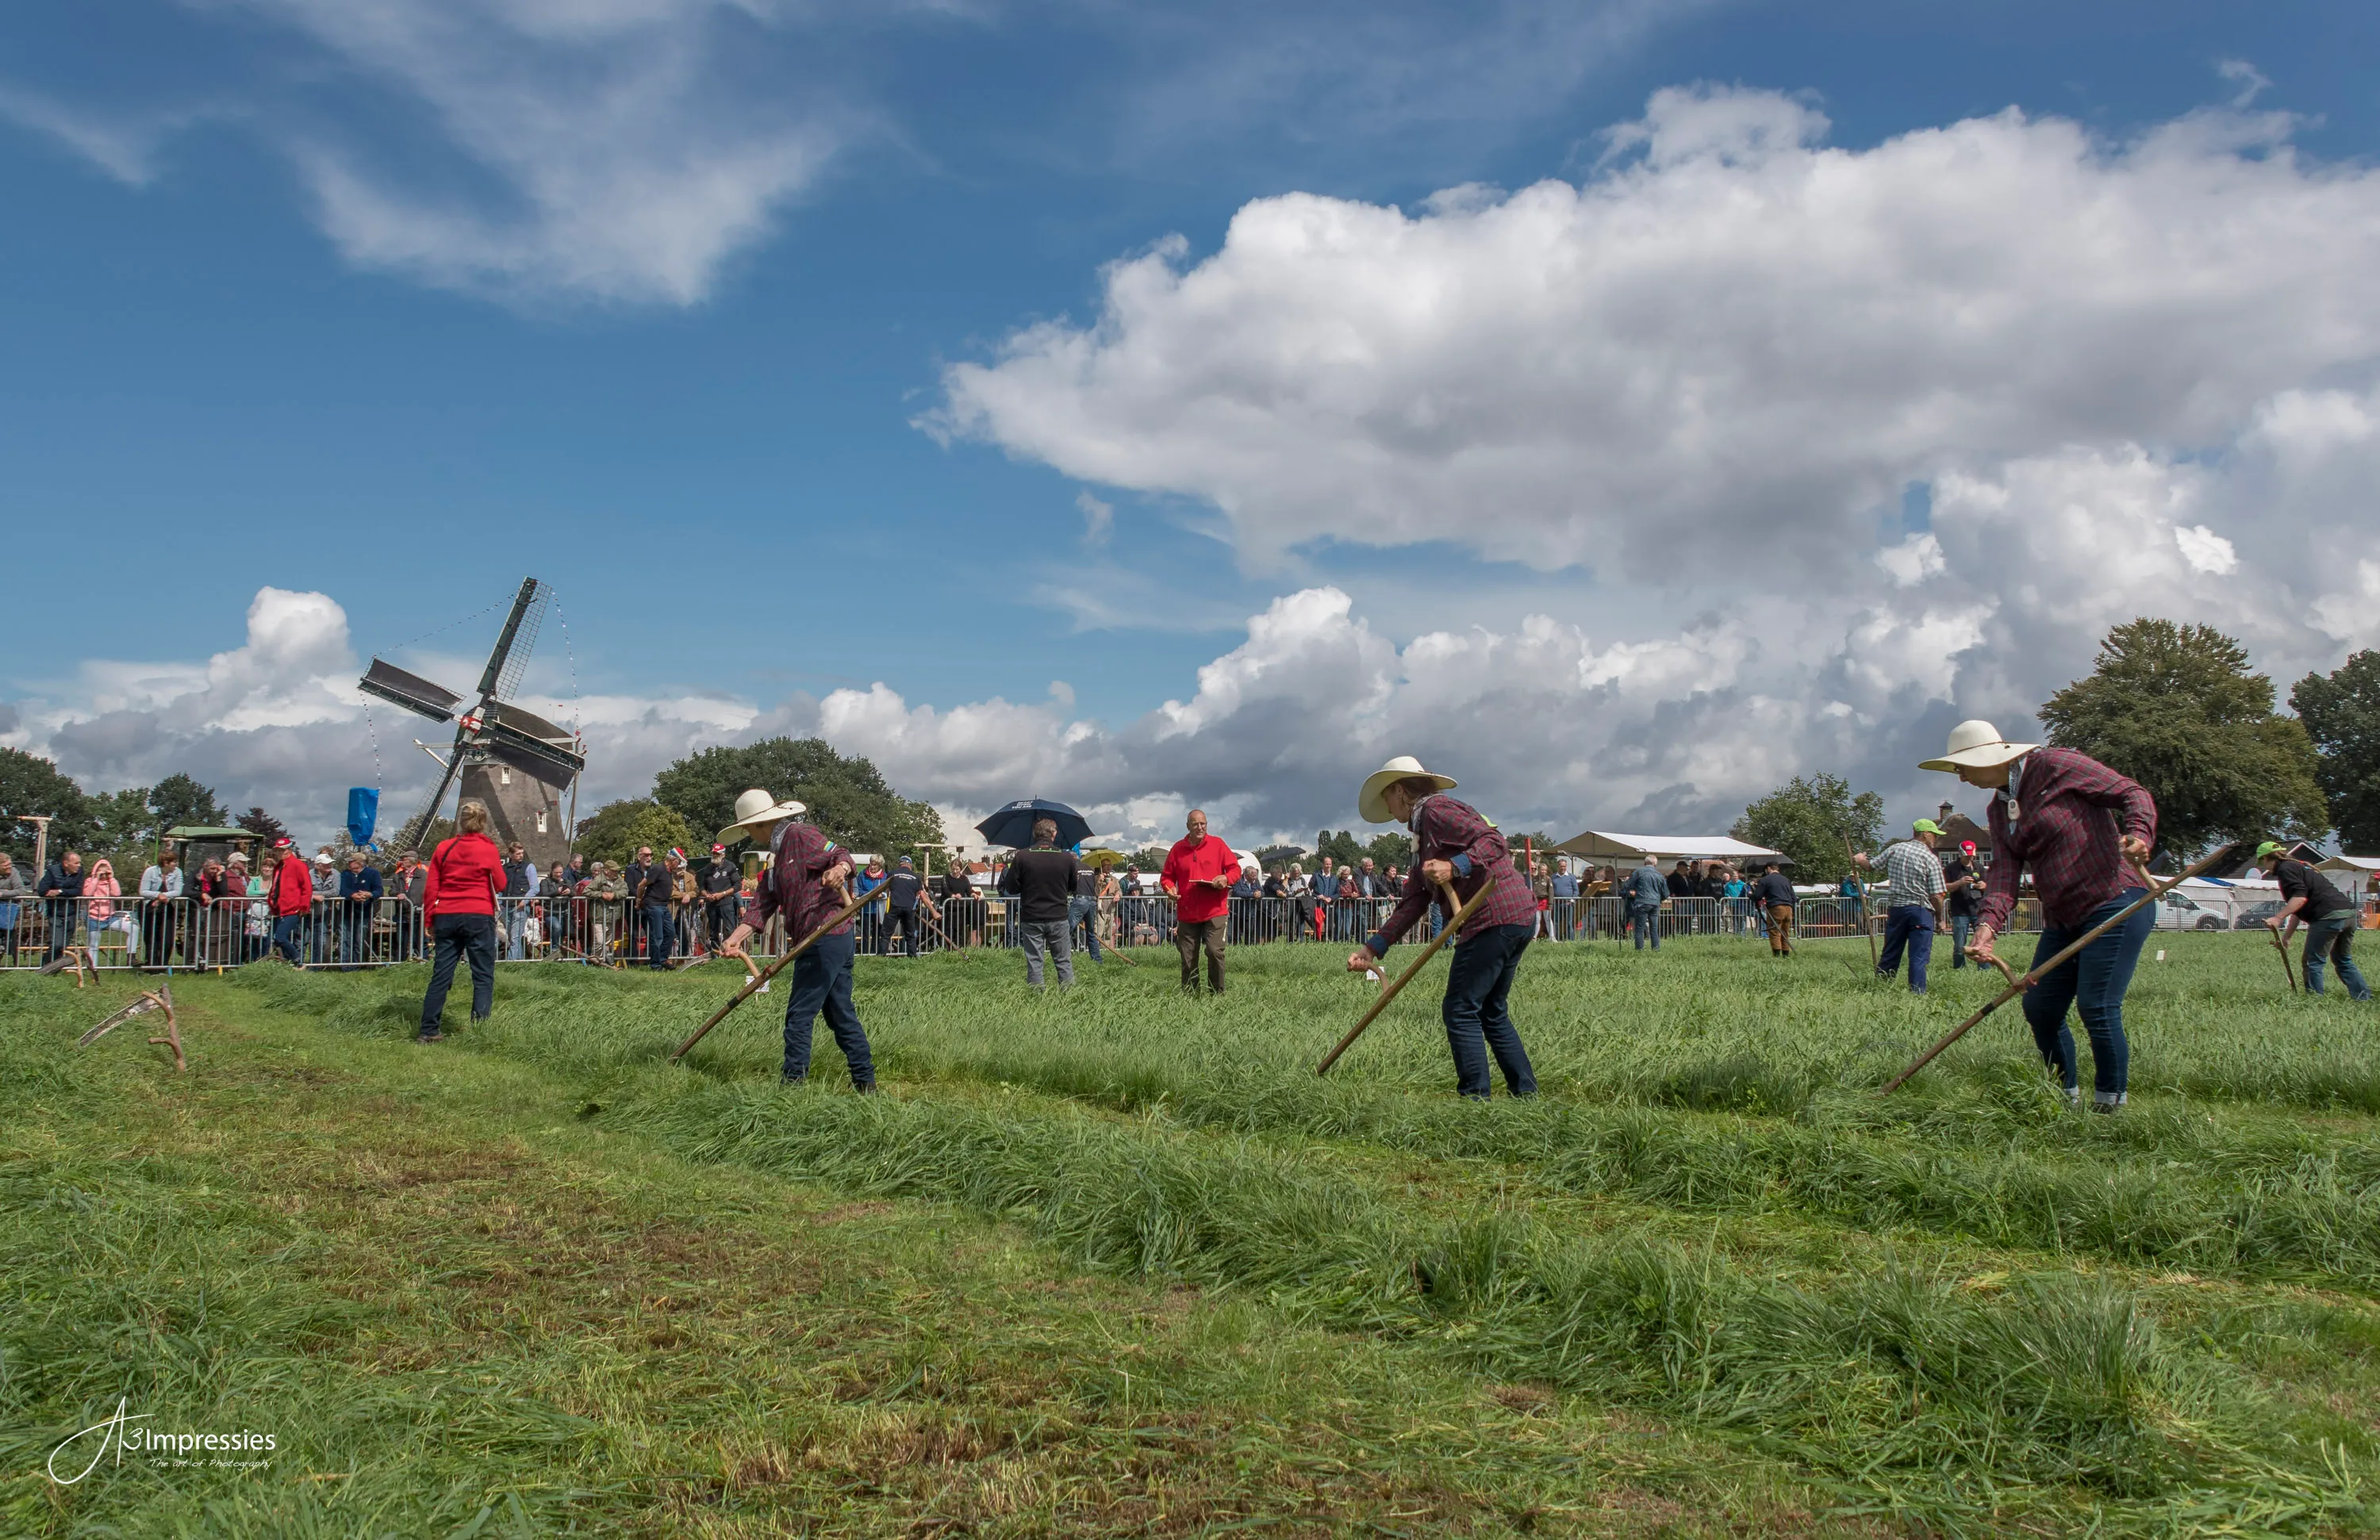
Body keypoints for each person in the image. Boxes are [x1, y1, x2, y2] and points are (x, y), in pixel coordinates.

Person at [1924, 719, 2156, 1112]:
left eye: (1961, 768)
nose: (1960, 779)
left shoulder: (2056, 765)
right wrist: (1986, 926)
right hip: (2064, 919)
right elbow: (2004, 872)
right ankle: (2064, 1097)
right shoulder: (1997, 810)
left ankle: (2110, 1105)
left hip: (2116, 899)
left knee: (2096, 1005)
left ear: (1987, 758)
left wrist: (2139, 834)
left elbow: (2131, 792)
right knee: (2040, 1007)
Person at [1344, 755, 1538, 1100]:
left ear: (1401, 791)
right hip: (1513, 915)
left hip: (1490, 914)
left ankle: (1475, 1099)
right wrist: (1372, 948)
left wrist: (1455, 866)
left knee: (1460, 1008)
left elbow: (1494, 843)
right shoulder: (1422, 835)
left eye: (1387, 799)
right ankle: (1525, 1094)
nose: (1387, 809)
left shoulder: (1437, 810)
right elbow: (1415, 899)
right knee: (1491, 1010)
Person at [715, 788, 875, 1090]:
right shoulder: (775, 863)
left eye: (749, 827)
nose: (749, 833)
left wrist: (840, 870)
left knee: (799, 1015)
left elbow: (841, 855)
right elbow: (762, 905)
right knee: (840, 1015)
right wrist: (735, 938)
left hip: (826, 935)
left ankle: (791, 1089)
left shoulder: (801, 836)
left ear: (762, 824)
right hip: (815, 941)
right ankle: (866, 1085)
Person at [418, 799, 505, 1041]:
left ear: (461, 821)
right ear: (484, 822)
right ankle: (480, 1029)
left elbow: (431, 889)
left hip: (447, 914)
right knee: (483, 973)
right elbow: (500, 883)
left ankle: (428, 1030)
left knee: (442, 973)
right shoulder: (488, 849)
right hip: (478, 913)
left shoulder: (444, 848)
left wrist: (429, 921)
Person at [2261, 841, 2370, 1000]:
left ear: (2265, 858)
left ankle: (2314, 1002)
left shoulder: (2285, 869)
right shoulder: (2298, 866)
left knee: (2312, 962)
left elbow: (2299, 898)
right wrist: (2286, 938)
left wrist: (2277, 918)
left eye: (2261, 861)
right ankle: (2363, 998)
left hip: (2328, 916)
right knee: (2343, 959)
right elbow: (2298, 907)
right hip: (2348, 914)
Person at [1856, 819, 1948, 993]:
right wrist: (1940, 918)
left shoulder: (1895, 849)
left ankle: (1881, 989)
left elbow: (1870, 866)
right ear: (1925, 834)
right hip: (1921, 910)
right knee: (1918, 956)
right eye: (1934, 835)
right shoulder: (1930, 858)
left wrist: (1860, 859)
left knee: (1891, 951)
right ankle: (1917, 993)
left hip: (1897, 909)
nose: (1935, 839)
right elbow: (1937, 895)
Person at [1161, 808, 1238, 995]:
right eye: (1195, 824)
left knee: (1214, 951)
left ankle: (1217, 994)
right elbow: (1167, 877)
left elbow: (1235, 869)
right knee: (1187, 956)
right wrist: (1169, 889)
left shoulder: (1218, 845)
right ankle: (1190, 995)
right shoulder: (1178, 849)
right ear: (1188, 826)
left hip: (1215, 910)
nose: (1199, 827)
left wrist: (1226, 879)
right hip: (1187, 912)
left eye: (1203, 823)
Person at [1000, 820, 1079, 988]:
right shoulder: (1066, 857)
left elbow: (1011, 888)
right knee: (1063, 960)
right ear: (1054, 833)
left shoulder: (1022, 856)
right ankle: (1070, 996)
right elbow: (1073, 887)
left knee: (1035, 961)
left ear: (1035, 834)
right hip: (1058, 915)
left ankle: (1036, 998)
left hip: (1032, 915)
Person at [268, 836, 316, 965]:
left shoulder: (298, 865)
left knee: (280, 937)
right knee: (279, 939)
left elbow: (307, 887)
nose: (281, 853)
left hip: (293, 907)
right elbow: (275, 887)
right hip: (280, 908)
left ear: (289, 850)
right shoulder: (278, 867)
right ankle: (292, 962)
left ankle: (297, 959)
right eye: (279, 850)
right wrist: (272, 904)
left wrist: (304, 906)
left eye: (283, 850)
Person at [1940, 839, 1983, 967]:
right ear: (1960, 853)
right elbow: (1944, 888)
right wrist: (1959, 883)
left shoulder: (1979, 868)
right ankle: (1959, 969)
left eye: (1971, 855)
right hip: (1959, 912)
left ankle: (1985, 970)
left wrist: (1983, 885)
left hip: (1978, 910)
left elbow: (1989, 885)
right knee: (1959, 944)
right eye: (1966, 855)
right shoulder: (1951, 869)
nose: (1968, 858)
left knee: (1981, 942)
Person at [39, 848, 85, 966]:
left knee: (64, 944)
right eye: (76, 863)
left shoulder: (80, 872)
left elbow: (78, 891)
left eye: (79, 863)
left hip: (72, 912)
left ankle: (55, 968)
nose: (79, 866)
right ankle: (45, 968)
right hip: (55, 912)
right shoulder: (52, 871)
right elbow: (42, 890)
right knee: (56, 944)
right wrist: (51, 893)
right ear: (66, 863)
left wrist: (59, 891)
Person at [140, 849, 183, 969]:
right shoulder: (150, 872)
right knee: (151, 937)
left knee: (168, 938)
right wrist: (157, 895)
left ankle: (163, 964)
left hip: (168, 907)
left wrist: (163, 897)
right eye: (174, 862)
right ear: (166, 862)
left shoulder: (177, 872)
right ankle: (151, 965)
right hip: (149, 908)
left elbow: (177, 891)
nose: (176, 864)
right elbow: (143, 891)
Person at [339, 852, 382, 970]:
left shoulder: (373, 873)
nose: (348, 863)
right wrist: (352, 895)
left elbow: (379, 890)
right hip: (346, 912)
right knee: (345, 939)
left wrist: (370, 894)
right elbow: (342, 889)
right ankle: (345, 965)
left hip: (364, 912)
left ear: (358, 863)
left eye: (351, 861)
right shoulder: (345, 874)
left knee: (360, 939)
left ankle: (357, 964)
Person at [83, 857, 128, 967]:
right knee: (93, 945)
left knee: (133, 928)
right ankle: (93, 969)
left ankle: (132, 957)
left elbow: (117, 894)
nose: (104, 875)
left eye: (106, 872)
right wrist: (96, 878)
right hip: (94, 917)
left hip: (110, 917)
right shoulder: (90, 881)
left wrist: (111, 878)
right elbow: (87, 894)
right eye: (101, 872)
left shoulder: (111, 882)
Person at [639, 852, 681, 970]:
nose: (679, 865)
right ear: (673, 860)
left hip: (663, 905)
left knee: (671, 933)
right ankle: (655, 964)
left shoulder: (669, 872)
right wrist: (638, 899)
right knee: (657, 936)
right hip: (653, 905)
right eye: (679, 862)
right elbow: (642, 885)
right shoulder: (658, 869)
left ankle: (662, 959)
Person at [1618, 854, 1668, 950]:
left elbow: (1627, 885)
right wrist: (1658, 899)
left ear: (1645, 863)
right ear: (1655, 863)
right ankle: (1656, 949)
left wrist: (1633, 891)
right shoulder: (1659, 875)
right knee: (1654, 929)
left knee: (1639, 928)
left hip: (1642, 902)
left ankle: (1639, 950)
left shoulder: (1639, 872)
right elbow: (1666, 893)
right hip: (1655, 904)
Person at [882, 854, 927, 958]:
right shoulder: (916, 877)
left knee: (886, 934)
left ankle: (880, 957)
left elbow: (887, 889)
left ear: (900, 864)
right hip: (909, 908)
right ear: (910, 865)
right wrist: (933, 911)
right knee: (910, 935)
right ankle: (912, 958)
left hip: (894, 906)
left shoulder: (892, 874)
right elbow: (921, 894)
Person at [701, 845, 741, 955]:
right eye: (714, 853)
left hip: (726, 903)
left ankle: (732, 954)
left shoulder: (730, 866)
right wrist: (706, 895)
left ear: (723, 855)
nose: (714, 855)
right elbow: (702, 887)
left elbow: (738, 885)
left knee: (730, 930)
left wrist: (723, 894)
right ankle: (716, 956)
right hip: (711, 904)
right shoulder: (708, 868)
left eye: (717, 854)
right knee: (713, 932)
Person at [501, 840, 537, 961]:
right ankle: (520, 962)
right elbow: (500, 887)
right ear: (511, 855)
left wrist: (524, 901)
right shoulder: (504, 868)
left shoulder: (529, 867)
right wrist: (500, 903)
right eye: (518, 854)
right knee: (512, 937)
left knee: (515, 937)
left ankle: (511, 964)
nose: (521, 855)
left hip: (520, 906)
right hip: (507, 906)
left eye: (522, 853)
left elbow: (535, 888)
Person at [1753, 862, 1798, 955]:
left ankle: (1777, 955)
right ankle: (1786, 954)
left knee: (1774, 931)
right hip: (1788, 908)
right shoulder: (1786, 880)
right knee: (1785, 932)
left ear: (1769, 868)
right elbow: (1793, 897)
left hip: (1776, 907)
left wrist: (1751, 895)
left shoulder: (1765, 880)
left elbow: (1757, 896)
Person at [309, 851, 340, 964]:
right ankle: (301, 963)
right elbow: (305, 891)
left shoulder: (336, 874)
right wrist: (313, 896)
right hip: (308, 911)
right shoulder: (309, 874)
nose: (330, 865)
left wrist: (316, 894)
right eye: (326, 864)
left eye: (330, 863)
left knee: (321, 939)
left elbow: (336, 892)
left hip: (325, 912)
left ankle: (316, 964)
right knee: (304, 939)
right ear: (318, 865)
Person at [0, 852, 24, 966]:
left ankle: (14, 965)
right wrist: (9, 892)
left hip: (8, 910)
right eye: (6, 865)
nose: (9, 867)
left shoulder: (14, 872)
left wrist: (2, 893)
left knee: (9, 939)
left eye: (10, 864)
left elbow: (21, 890)